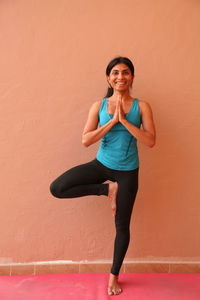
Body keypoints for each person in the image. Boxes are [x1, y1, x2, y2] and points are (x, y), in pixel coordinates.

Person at [50, 56, 156, 296]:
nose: (121, 77)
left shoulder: (143, 106)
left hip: (128, 171)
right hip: (102, 165)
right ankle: (107, 189)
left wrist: (125, 121)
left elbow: (150, 141)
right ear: (108, 77)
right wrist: (111, 123)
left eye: (126, 72)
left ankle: (113, 276)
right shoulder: (98, 106)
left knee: (122, 226)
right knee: (58, 187)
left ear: (132, 77)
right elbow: (86, 140)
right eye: (115, 72)